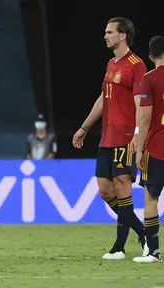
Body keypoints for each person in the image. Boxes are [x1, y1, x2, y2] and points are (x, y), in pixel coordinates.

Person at [72, 17, 148, 260]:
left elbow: (141, 104)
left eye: (109, 32)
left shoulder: (136, 65)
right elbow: (103, 100)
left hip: (125, 135)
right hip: (107, 136)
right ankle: (143, 232)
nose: (105, 36)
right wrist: (84, 127)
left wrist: (138, 135)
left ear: (123, 35)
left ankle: (119, 247)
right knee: (105, 190)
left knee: (122, 188)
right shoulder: (111, 64)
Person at [133, 36, 164, 263]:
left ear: (151, 56)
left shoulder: (149, 79)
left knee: (151, 197)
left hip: (158, 146)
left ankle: (152, 252)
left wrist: (139, 148)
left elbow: (144, 117)